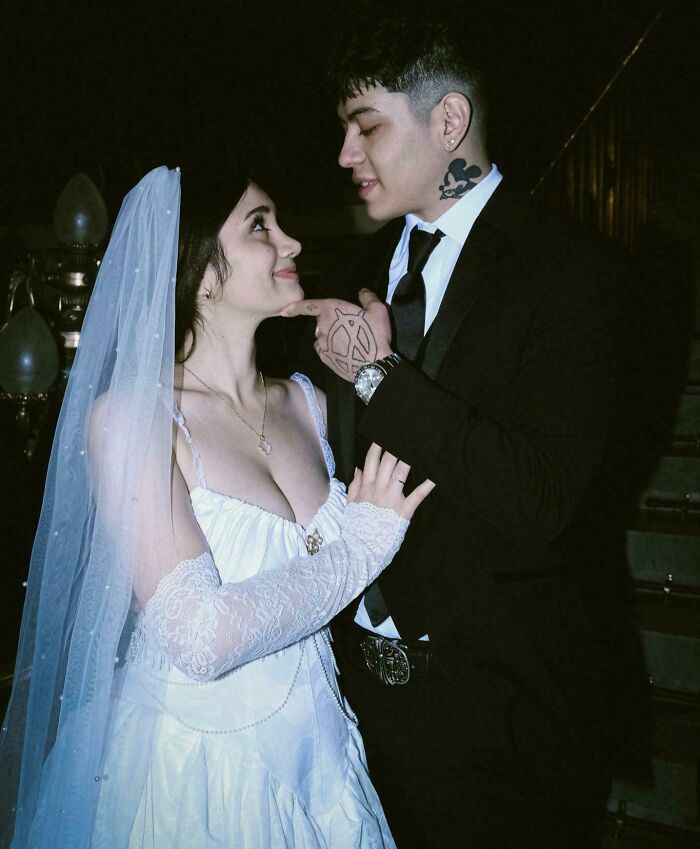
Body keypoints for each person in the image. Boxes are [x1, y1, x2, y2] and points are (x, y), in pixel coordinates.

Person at [282, 10, 649, 849]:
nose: (344, 154)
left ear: (449, 121)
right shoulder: (352, 272)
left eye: (367, 126)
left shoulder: (571, 267)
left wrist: (378, 377)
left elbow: (540, 496)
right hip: (352, 719)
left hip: (504, 724)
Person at [0, 165, 435, 848]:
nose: (292, 242)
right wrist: (357, 550)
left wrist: (373, 365)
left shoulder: (309, 403)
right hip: (198, 775)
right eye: (261, 226)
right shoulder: (136, 418)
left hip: (322, 756)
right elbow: (199, 637)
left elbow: (412, 522)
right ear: (202, 273)